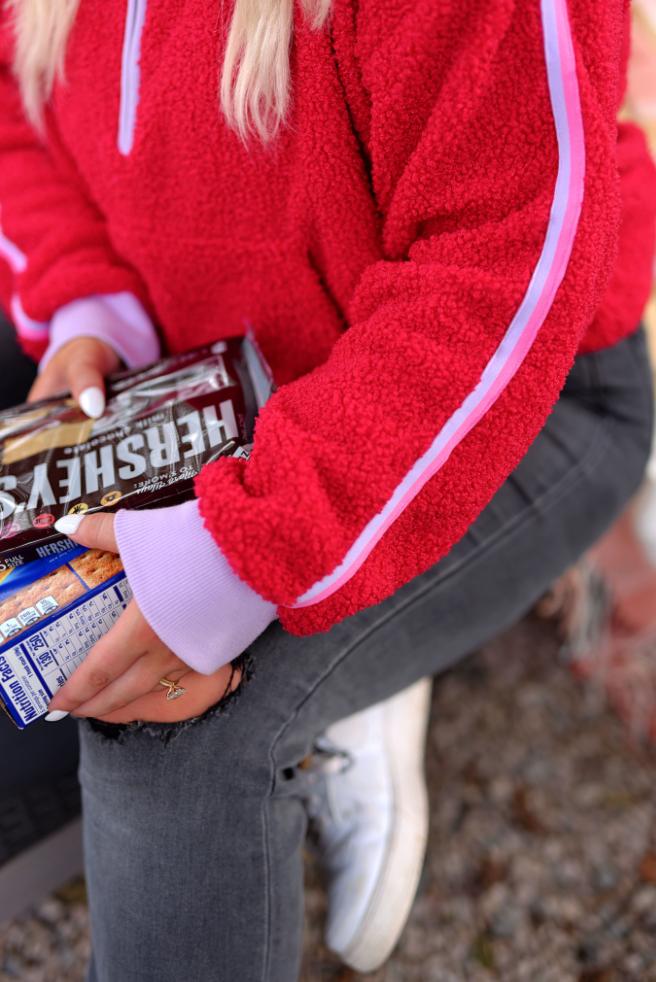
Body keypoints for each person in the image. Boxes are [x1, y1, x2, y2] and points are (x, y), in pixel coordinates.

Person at [1, 0, 655, 979]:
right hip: (221, 358)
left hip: (515, 387)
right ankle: (362, 654)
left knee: (173, 728)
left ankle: (349, 648)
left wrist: (254, 552)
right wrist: (87, 301)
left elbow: (495, 265)